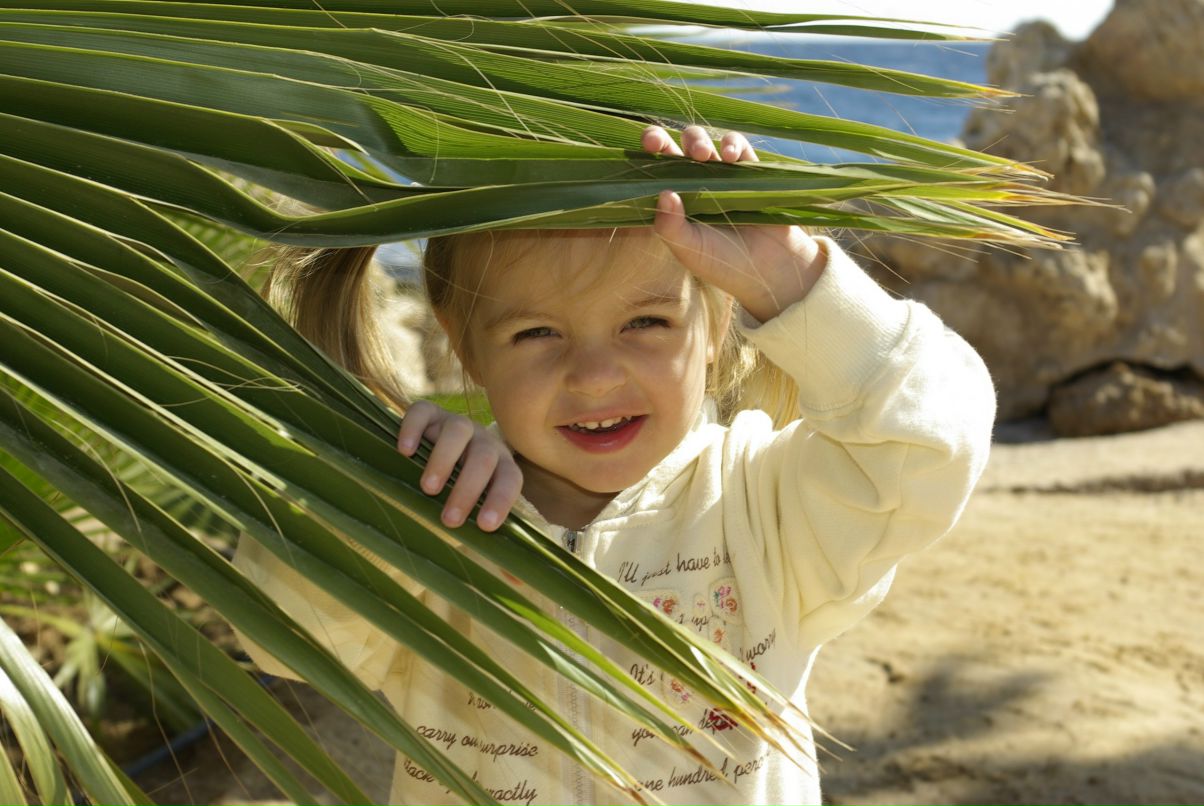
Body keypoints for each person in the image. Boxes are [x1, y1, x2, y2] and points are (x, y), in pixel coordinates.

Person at [235, 126, 996, 805]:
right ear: (462, 341)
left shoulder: (768, 506)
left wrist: (795, 281)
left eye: (645, 322)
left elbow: (931, 447)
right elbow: (278, 634)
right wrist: (385, 495)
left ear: (718, 320)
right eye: (536, 333)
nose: (594, 376)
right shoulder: (436, 517)